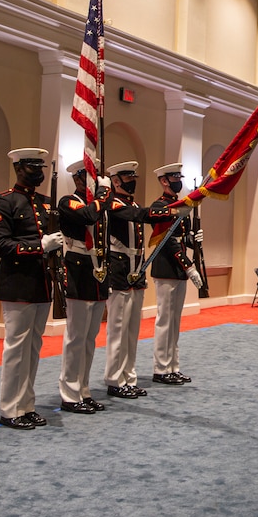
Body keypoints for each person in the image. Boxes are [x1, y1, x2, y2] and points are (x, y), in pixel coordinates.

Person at [0, 147, 62, 430]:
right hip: (17, 284)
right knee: (16, 348)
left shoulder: (45, 203)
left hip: (42, 283)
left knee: (33, 348)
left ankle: (26, 405)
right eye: (33, 167)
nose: (38, 173)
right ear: (19, 168)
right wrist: (39, 246)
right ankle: (9, 409)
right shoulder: (3, 202)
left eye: (40, 167)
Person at [103, 161, 175, 399]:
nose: (132, 180)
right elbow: (138, 216)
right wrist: (171, 210)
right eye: (127, 177)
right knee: (117, 329)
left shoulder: (132, 202)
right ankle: (115, 378)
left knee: (132, 329)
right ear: (116, 181)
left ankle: (129, 377)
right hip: (119, 268)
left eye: (134, 176)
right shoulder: (114, 202)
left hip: (136, 268)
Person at [57, 159, 112, 414]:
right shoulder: (68, 201)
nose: (94, 182)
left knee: (90, 338)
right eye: (89, 177)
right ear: (78, 180)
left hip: (97, 272)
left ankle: (83, 389)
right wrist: (101, 195)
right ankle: (69, 394)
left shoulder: (100, 206)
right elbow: (88, 215)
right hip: (78, 269)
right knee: (76, 337)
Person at [149, 163, 205, 385]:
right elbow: (168, 241)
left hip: (178, 269)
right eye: (173, 177)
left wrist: (193, 239)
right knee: (165, 319)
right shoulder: (160, 205)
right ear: (164, 181)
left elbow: (182, 238)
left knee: (175, 321)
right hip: (166, 267)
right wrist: (189, 266)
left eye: (178, 177)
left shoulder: (181, 205)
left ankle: (173, 365)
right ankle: (161, 368)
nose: (177, 180)